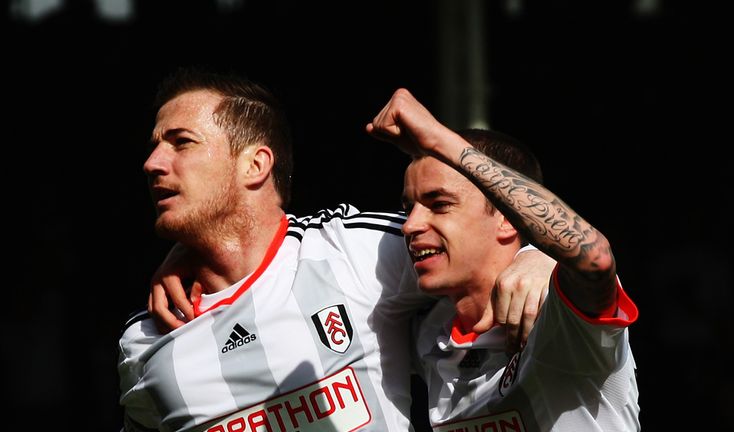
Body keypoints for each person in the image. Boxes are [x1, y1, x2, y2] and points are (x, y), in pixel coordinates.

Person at [117, 67, 554, 432]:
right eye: (155, 145)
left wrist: (537, 259)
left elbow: (478, 240)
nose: (153, 162)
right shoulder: (145, 342)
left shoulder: (352, 253)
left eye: (181, 142)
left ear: (256, 164)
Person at [365, 88, 640, 431]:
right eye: (409, 208)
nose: (410, 225)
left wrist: (438, 138)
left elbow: (593, 257)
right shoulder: (427, 331)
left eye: (439, 204)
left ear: (508, 218)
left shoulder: (558, 317)